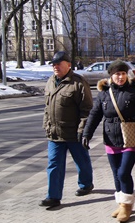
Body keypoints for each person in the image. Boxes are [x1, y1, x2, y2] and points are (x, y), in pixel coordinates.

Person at [83, 60, 135, 223]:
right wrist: (87, 134)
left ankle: (127, 206)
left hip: (131, 137)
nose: (120, 77)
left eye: (122, 73)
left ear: (126, 75)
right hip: (111, 138)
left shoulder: (134, 92)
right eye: (116, 74)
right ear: (110, 76)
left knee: (123, 172)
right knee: (116, 173)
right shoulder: (104, 93)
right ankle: (121, 203)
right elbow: (94, 115)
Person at [40, 51, 94, 208]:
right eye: (53, 64)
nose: (55, 67)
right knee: (54, 164)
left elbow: (87, 110)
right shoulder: (50, 82)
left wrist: (82, 130)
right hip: (55, 133)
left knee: (82, 161)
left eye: (59, 64)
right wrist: (46, 124)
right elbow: (47, 107)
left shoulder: (78, 83)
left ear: (68, 65)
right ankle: (53, 196)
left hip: (74, 133)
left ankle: (86, 184)